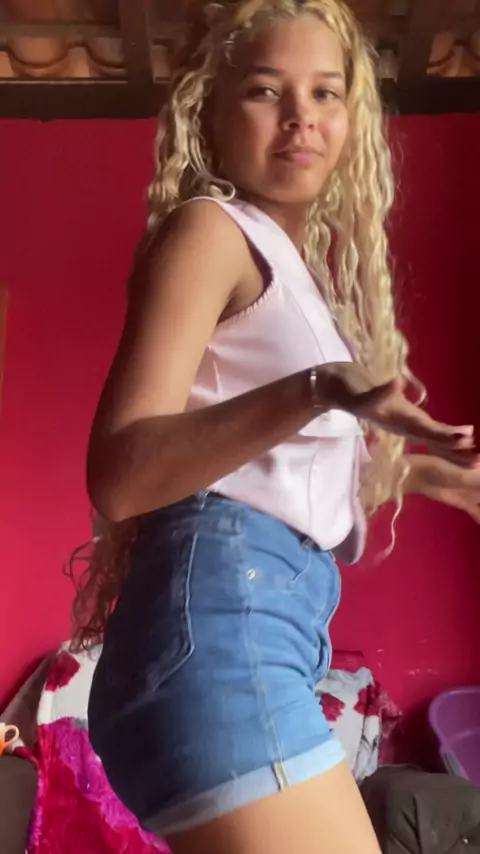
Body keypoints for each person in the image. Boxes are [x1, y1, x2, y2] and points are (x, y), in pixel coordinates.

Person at [78, 0, 480, 851]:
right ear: (210, 113)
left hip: (254, 636)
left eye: (326, 92)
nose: (302, 116)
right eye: (266, 89)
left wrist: (420, 474)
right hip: (224, 641)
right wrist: (320, 388)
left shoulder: (283, 266)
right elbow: (120, 473)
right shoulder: (211, 233)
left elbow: (265, 476)